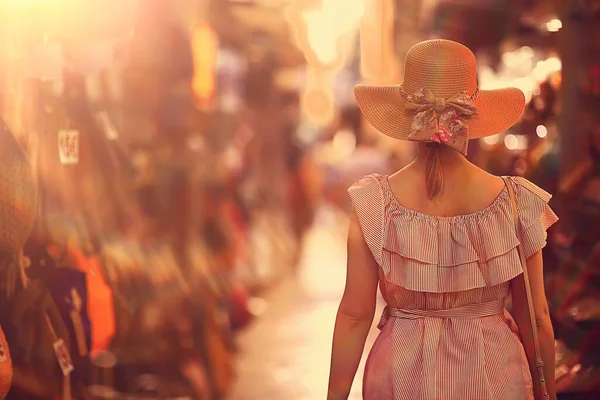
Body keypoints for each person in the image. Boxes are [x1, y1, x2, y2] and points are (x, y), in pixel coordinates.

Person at [327, 40, 558, 400]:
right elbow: (537, 317)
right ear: (472, 113)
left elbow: (355, 315)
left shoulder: (374, 203)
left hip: (401, 376)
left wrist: (335, 396)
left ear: (407, 116)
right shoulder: (516, 203)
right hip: (494, 376)